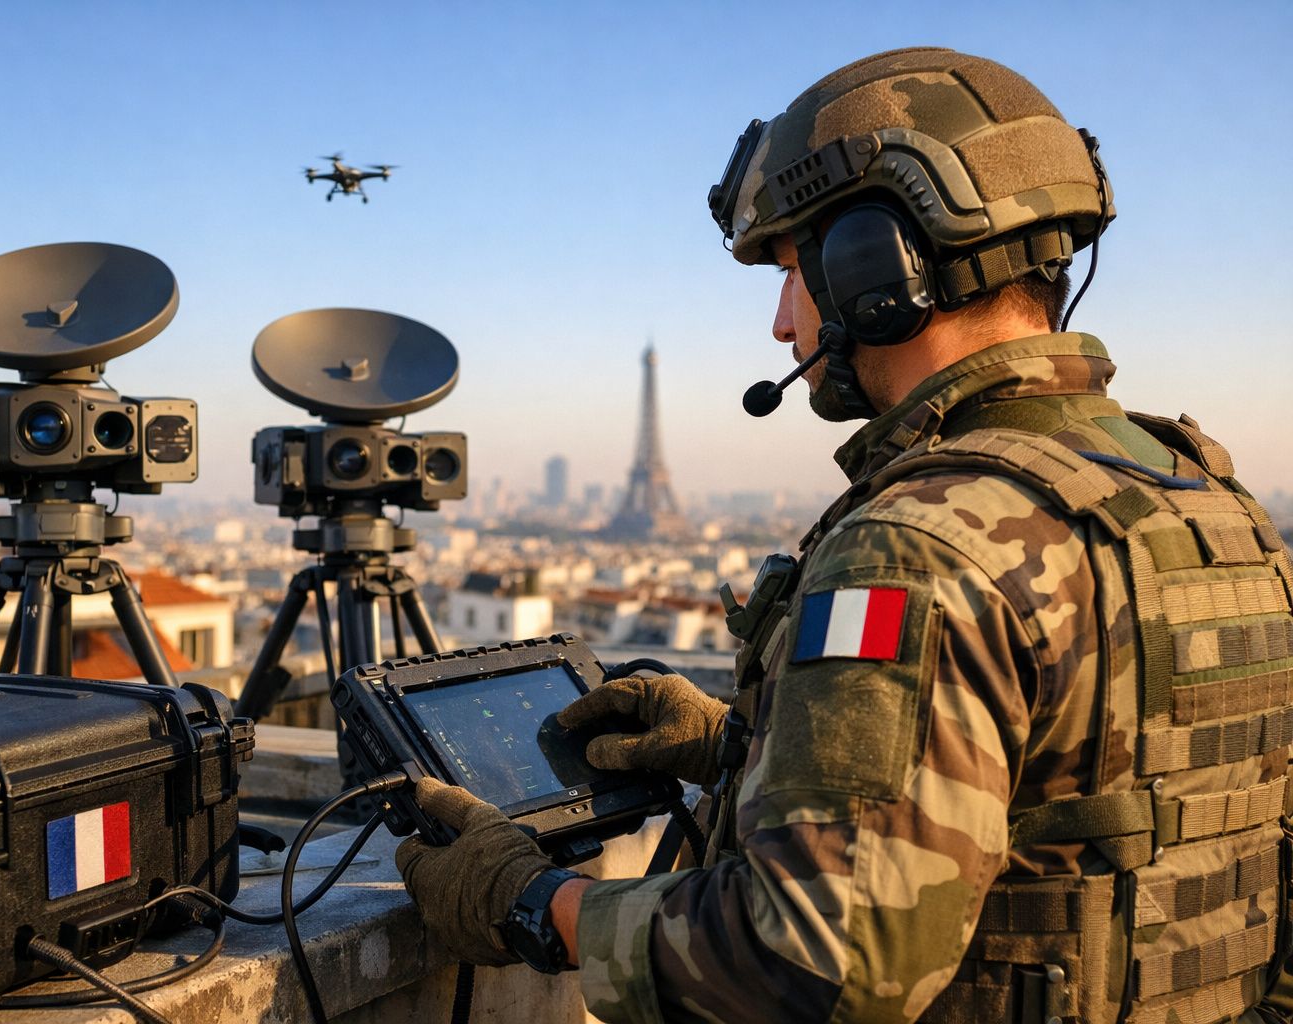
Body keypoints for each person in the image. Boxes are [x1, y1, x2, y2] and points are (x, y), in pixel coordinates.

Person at [396, 47, 1293, 1024]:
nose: (784, 324)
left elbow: (813, 963)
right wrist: (743, 742)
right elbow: (1088, 795)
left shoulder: (924, 542)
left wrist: (533, 901)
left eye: (791, 272)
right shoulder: (1206, 501)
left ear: (878, 270)